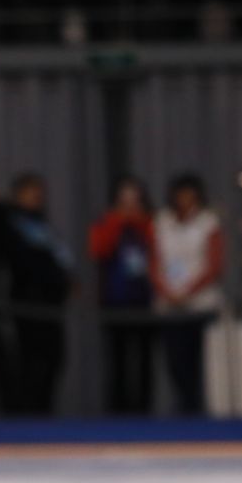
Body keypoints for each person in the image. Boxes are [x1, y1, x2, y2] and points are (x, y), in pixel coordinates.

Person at [0, 171, 73, 416]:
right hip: (26, 303)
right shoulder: (10, 223)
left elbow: (58, 258)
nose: (36, 197)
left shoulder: (44, 225)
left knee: (54, 360)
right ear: (17, 196)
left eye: (39, 193)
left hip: (52, 305)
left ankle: (45, 412)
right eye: (30, 193)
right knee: (29, 362)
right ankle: (27, 415)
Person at [153, 173, 224, 415]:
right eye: (181, 193)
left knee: (198, 361)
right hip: (170, 302)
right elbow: (154, 260)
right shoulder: (162, 221)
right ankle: (182, 405)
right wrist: (166, 290)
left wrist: (190, 291)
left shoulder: (208, 221)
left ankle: (198, 407)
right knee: (175, 361)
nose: (185, 199)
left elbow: (214, 264)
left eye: (189, 194)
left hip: (200, 304)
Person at [87, 176, 155, 416]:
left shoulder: (149, 224)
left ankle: (144, 410)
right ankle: (117, 411)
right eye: (124, 200)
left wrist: (138, 222)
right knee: (116, 360)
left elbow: (159, 249)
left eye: (134, 200)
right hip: (115, 301)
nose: (129, 206)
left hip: (145, 302)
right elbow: (99, 250)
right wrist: (117, 222)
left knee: (144, 360)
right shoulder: (106, 222)